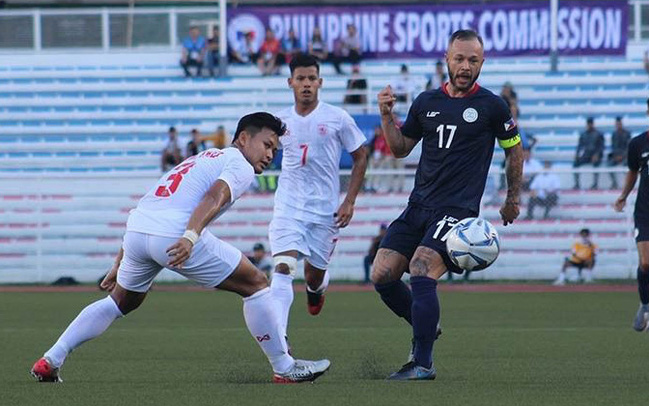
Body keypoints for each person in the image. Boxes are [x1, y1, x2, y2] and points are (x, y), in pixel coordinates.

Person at [29, 112, 330, 384]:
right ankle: (284, 366)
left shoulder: (203, 157)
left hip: (138, 231)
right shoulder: (239, 164)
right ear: (243, 138)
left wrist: (119, 260)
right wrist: (190, 236)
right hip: (173, 234)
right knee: (256, 283)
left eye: (275, 150)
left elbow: (148, 203)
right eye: (267, 145)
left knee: (121, 302)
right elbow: (215, 197)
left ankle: (51, 359)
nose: (270, 154)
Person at [374, 29, 523, 380]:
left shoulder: (493, 106)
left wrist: (512, 197)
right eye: (459, 58)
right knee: (381, 274)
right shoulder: (426, 102)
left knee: (422, 267)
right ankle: (426, 321)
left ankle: (422, 362)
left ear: (482, 63)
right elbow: (400, 149)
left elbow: (514, 150)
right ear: (447, 59)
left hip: (456, 211)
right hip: (418, 206)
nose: (465, 66)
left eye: (473, 60)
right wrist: (385, 117)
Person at [269, 54, 368, 343]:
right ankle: (279, 338)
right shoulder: (279, 122)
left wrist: (349, 201)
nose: (307, 84)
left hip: (325, 211)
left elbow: (361, 156)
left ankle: (316, 291)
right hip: (288, 206)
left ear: (320, 82)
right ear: (290, 82)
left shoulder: (337, 118)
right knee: (284, 267)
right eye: (300, 79)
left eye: (312, 78)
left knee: (313, 276)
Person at [613, 96, 649, 332]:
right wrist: (623, 196)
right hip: (645, 210)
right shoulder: (638, 144)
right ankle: (645, 305)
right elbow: (632, 172)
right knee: (646, 263)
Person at [573, 117, 605, 190]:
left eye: (591, 124)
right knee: (575, 164)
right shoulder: (583, 134)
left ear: (593, 124)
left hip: (596, 155)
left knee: (596, 164)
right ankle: (577, 184)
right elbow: (580, 146)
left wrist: (597, 155)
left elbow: (602, 147)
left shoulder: (598, 134)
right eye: (588, 124)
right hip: (586, 155)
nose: (589, 125)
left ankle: (595, 184)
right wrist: (577, 154)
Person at [607, 116, 631, 189]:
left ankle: (627, 184)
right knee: (609, 165)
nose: (618, 125)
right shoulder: (614, 134)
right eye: (617, 124)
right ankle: (614, 183)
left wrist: (623, 156)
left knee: (626, 165)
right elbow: (614, 147)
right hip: (616, 156)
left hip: (625, 156)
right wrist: (616, 156)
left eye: (619, 123)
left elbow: (628, 146)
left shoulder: (627, 133)